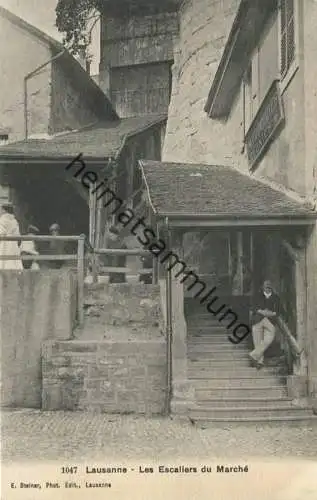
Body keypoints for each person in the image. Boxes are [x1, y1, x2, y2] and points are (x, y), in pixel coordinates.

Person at [249, 280, 280, 369]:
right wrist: (263, 312)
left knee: (269, 338)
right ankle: (259, 362)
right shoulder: (257, 296)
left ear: (272, 287)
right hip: (257, 320)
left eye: (269, 286)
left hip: (269, 321)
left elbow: (277, 312)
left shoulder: (276, 298)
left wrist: (269, 313)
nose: (268, 287)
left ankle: (253, 354)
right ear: (263, 287)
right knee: (257, 341)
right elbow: (253, 308)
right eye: (266, 286)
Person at [0, 202, 23, 270]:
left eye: (1, 209)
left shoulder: (2, 220)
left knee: (3, 264)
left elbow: (1, 232)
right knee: (13, 264)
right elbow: (18, 235)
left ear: (4, 210)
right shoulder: (14, 221)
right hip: (13, 244)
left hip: (4, 244)